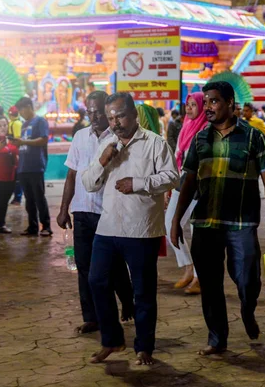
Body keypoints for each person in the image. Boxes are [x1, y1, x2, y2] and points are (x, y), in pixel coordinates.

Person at [171, 81, 265, 356]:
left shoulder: (253, 136)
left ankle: (247, 308)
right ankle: (217, 338)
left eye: (214, 101)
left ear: (231, 104)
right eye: (206, 101)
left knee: (247, 279)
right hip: (206, 221)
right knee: (210, 285)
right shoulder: (200, 139)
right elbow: (188, 181)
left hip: (241, 221)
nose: (208, 107)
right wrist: (176, 219)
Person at [82, 92, 178, 365]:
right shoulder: (107, 145)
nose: (115, 122)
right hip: (109, 226)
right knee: (96, 281)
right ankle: (112, 341)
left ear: (134, 114)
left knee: (143, 291)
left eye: (120, 115)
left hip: (141, 229)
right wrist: (103, 161)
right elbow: (89, 183)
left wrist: (137, 183)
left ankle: (144, 348)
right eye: (110, 117)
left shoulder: (155, 144)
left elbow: (172, 176)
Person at [57, 90, 134, 335]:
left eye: (98, 112)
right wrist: (63, 209)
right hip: (82, 211)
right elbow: (71, 174)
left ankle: (128, 300)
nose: (93, 116)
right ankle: (92, 317)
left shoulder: (119, 137)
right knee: (84, 267)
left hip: (107, 211)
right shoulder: (80, 137)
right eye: (89, 112)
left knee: (114, 266)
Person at [170, 92, 208, 293]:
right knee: (170, 224)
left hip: (199, 184)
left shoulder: (206, 129)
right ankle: (188, 266)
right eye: (188, 104)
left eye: (194, 105)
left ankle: (198, 278)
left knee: (196, 231)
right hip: (182, 181)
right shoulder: (185, 126)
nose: (190, 108)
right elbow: (179, 156)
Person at [10, 97, 53, 236]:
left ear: (29, 107)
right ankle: (32, 226)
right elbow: (25, 143)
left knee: (39, 197)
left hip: (35, 165)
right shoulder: (24, 124)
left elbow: (44, 140)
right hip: (23, 166)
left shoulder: (40, 121)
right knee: (29, 199)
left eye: (21, 110)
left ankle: (46, 226)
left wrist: (23, 141)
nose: (20, 113)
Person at [7, 106, 23, 206]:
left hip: (15, 151)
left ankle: (18, 197)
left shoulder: (16, 124)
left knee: (16, 177)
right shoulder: (13, 123)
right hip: (13, 150)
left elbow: (17, 139)